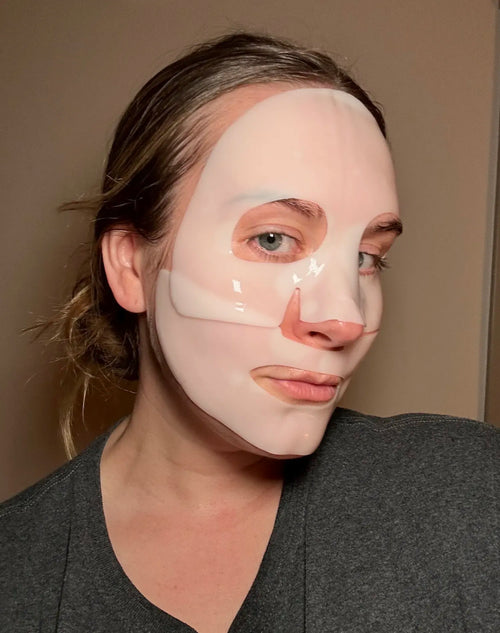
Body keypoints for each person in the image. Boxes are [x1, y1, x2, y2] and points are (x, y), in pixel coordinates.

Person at [0, 32, 498, 633]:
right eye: (272, 238)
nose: (345, 319)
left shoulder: (472, 497)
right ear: (131, 266)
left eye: (366, 256)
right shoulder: (17, 578)